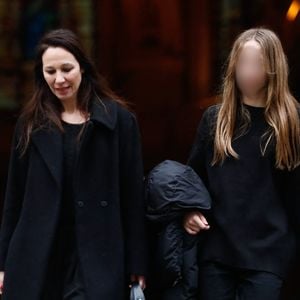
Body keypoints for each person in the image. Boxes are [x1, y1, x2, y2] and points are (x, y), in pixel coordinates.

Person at [0, 29, 147, 299]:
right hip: (38, 255)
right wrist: (2, 264)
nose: (59, 79)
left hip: (98, 253)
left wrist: (137, 262)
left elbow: (133, 196)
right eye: (50, 71)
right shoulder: (30, 124)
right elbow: (14, 197)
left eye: (66, 69)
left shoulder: (120, 122)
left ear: (83, 67)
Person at [184, 28, 300, 299]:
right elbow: (192, 180)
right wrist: (188, 213)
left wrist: (289, 251)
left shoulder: (291, 123)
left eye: (257, 63)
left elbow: (295, 195)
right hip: (217, 251)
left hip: (268, 256)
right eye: (244, 62)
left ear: (273, 68)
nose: (248, 71)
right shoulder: (215, 119)